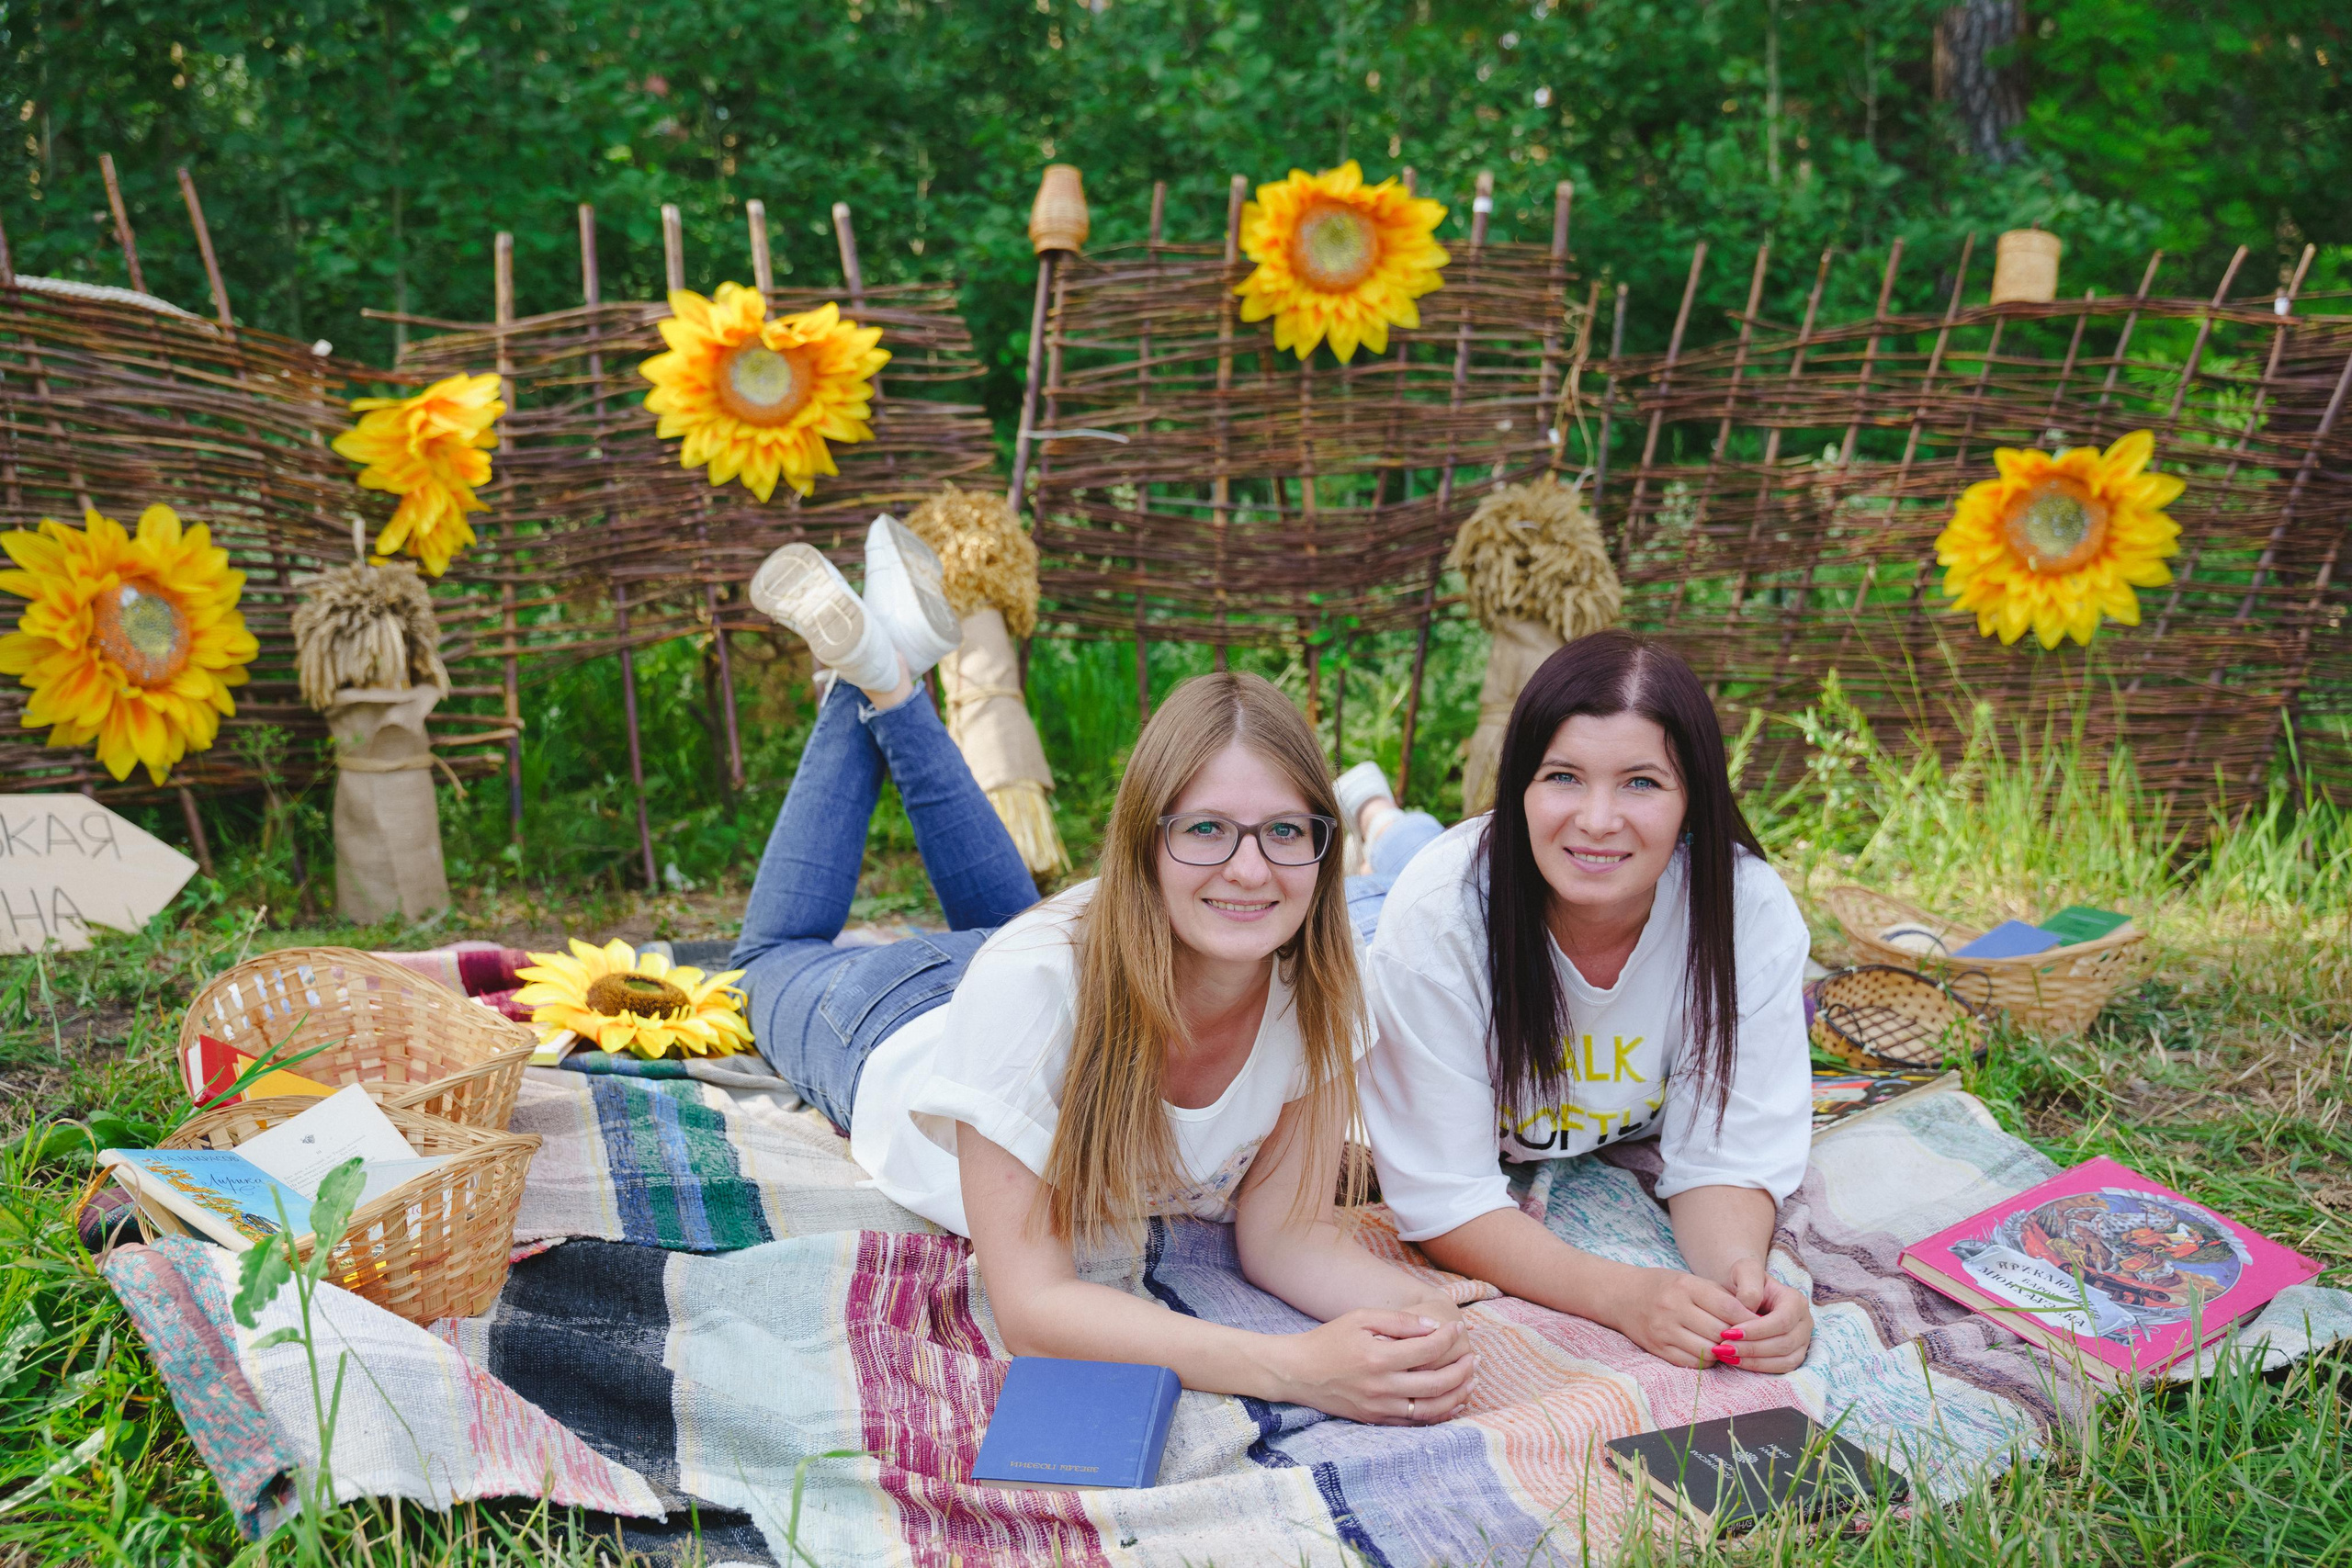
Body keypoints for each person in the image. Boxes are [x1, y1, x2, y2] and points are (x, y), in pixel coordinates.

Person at [730, 517, 1477, 1426]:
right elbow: (1035, 1308)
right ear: (1144, 843)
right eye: (1205, 829)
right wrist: (1293, 1368)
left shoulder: (1316, 985)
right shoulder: (1031, 989)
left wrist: (1413, 1313)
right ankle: (880, 684)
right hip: (895, 1021)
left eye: (1284, 831)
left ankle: (894, 680)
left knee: (1012, 927)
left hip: (1050, 964)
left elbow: (1280, 1236)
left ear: (1325, 848)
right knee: (768, 961)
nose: (1251, 868)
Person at [1356, 630, 1815, 1374]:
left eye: (1641, 782)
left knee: (1444, 846)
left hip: (1503, 868)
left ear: (1693, 796)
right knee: (1404, 858)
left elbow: (1723, 1159)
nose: (1600, 818)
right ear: (1519, 789)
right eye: (1564, 776)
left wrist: (1741, 1288)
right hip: (1383, 915)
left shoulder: (1743, 913)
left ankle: (1385, 817)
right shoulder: (1439, 919)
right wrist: (1624, 1295)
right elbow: (1443, 1200)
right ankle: (1373, 812)